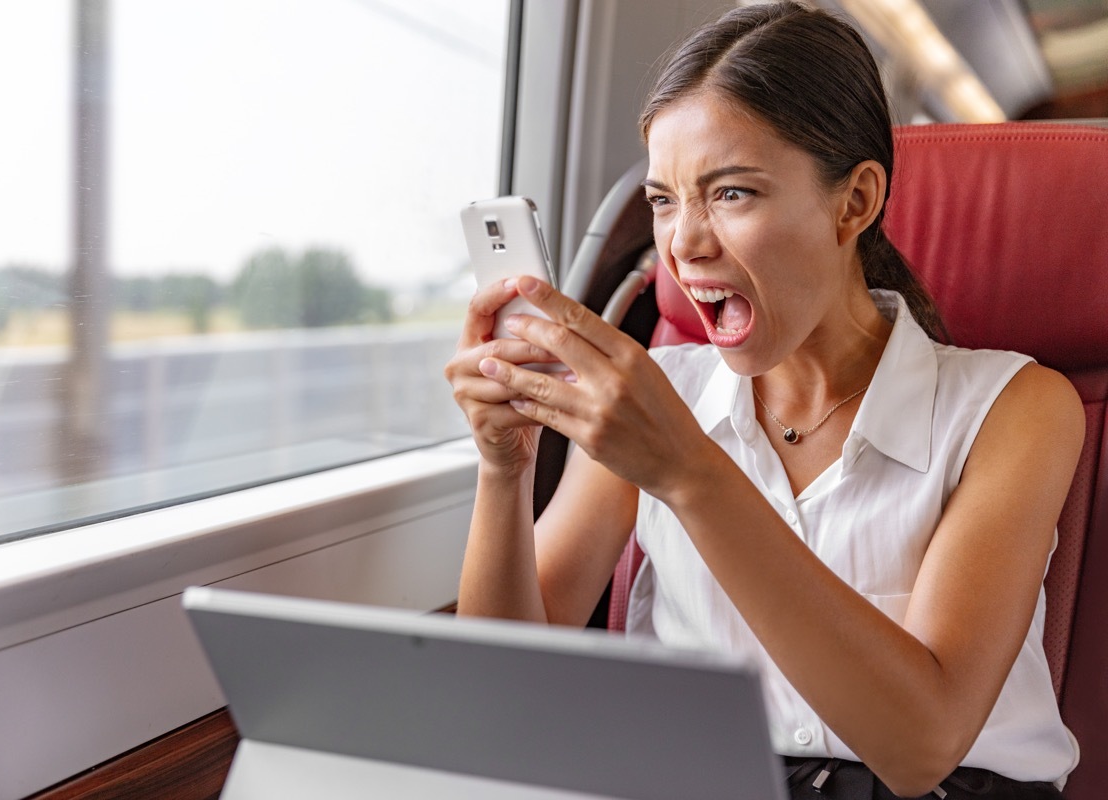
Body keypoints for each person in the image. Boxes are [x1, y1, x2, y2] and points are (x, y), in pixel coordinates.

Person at [444, 3, 1083, 798]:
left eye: (732, 194)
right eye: (664, 200)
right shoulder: (662, 390)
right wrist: (502, 470)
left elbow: (921, 747)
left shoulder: (1017, 406)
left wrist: (688, 472)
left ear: (854, 203)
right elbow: (506, 689)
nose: (684, 244)